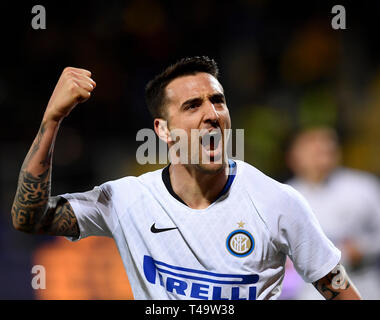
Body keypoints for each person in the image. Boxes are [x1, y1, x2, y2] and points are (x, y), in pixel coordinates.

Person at [11, 56, 361, 300]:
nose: (212, 114)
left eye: (218, 101)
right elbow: (30, 219)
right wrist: (53, 119)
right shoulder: (127, 199)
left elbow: (339, 286)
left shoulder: (278, 202)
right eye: (192, 105)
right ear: (162, 130)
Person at [281, 127, 380, 300]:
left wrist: (363, 249)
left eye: (327, 148)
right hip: (309, 294)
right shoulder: (285, 195)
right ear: (294, 157)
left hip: (362, 287)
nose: (322, 153)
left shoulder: (363, 187)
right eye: (313, 150)